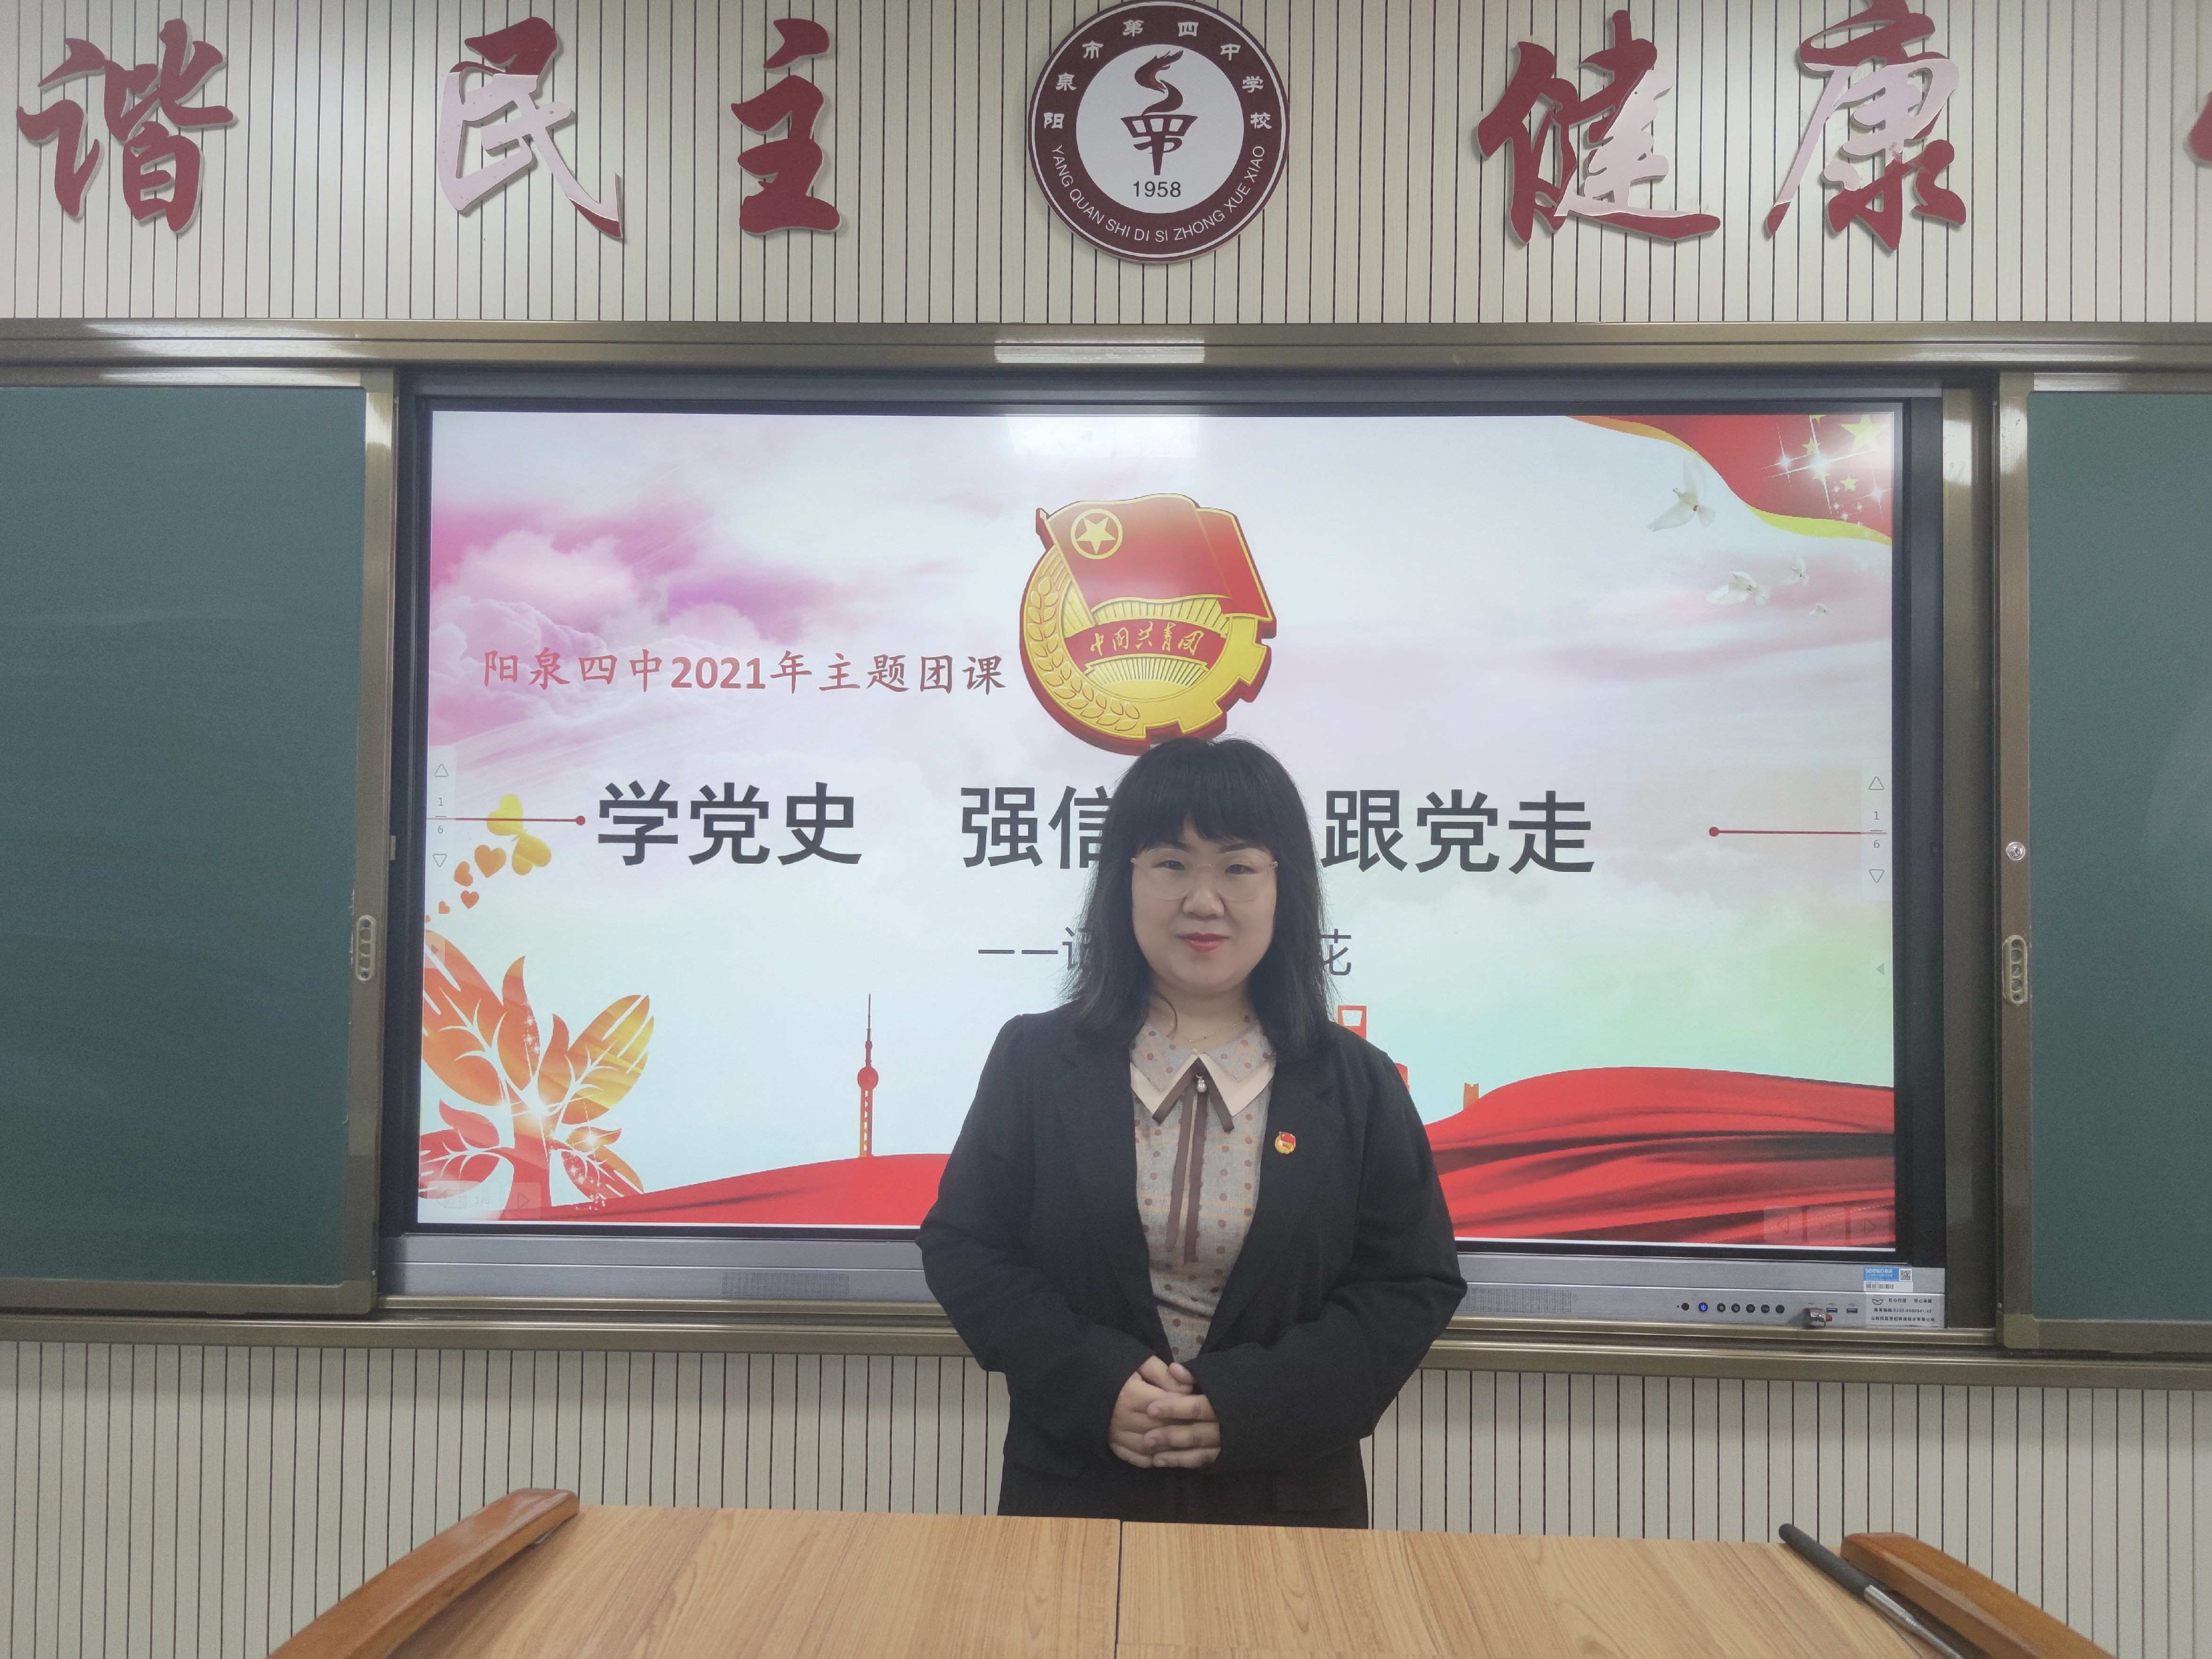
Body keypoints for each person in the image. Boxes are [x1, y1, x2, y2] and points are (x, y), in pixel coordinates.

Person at [920, 737, 1465, 1526]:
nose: (1204, 900)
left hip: (1286, 1502)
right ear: (1124, 881)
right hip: (1074, 1490)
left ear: (1285, 886)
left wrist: (1248, 1405)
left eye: (1238, 867)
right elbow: (966, 1247)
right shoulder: (1035, 1059)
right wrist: (1094, 1381)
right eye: (1171, 863)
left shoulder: (1357, 1081)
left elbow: (1411, 1285)